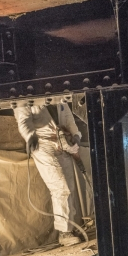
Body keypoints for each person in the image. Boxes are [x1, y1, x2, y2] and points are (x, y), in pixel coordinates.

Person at [13, 99, 82, 246]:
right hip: (43, 145)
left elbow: (68, 118)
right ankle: (64, 232)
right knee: (60, 188)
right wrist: (30, 136)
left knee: (70, 188)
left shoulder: (59, 98)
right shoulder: (26, 97)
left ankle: (70, 227)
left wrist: (76, 136)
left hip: (62, 142)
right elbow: (23, 119)